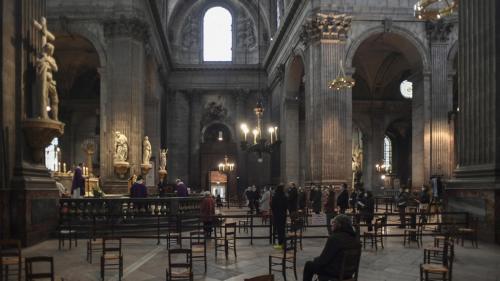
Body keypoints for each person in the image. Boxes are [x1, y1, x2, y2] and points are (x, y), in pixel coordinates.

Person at [302, 214, 361, 281]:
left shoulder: (334, 238)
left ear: (339, 225)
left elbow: (323, 261)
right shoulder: (355, 239)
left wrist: (315, 260)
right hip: (349, 273)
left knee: (309, 265)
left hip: (335, 272)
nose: (332, 225)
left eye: (334, 222)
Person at [271, 184, 288, 249]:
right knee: (283, 229)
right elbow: (286, 206)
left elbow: (272, 205)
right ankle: (283, 243)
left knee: (279, 230)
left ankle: (280, 245)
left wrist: (275, 211)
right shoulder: (285, 196)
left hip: (277, 215)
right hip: (283, 215)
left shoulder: (275, 196)